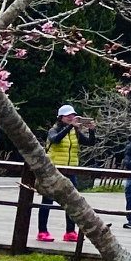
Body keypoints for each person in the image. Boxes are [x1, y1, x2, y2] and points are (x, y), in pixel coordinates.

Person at [38, 104, 97, 242]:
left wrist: (92, 130)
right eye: (68, 116)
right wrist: (70, 126)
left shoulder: (74, 132)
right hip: (53, 170)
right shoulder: (54, 129)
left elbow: (90, 142)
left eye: (73, 116)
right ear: (61, 117)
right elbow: (55, 140)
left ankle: (70, 231)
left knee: (72, 203)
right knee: (47, 201)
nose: (72, 118)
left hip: (71, 170)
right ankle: (42, 231)